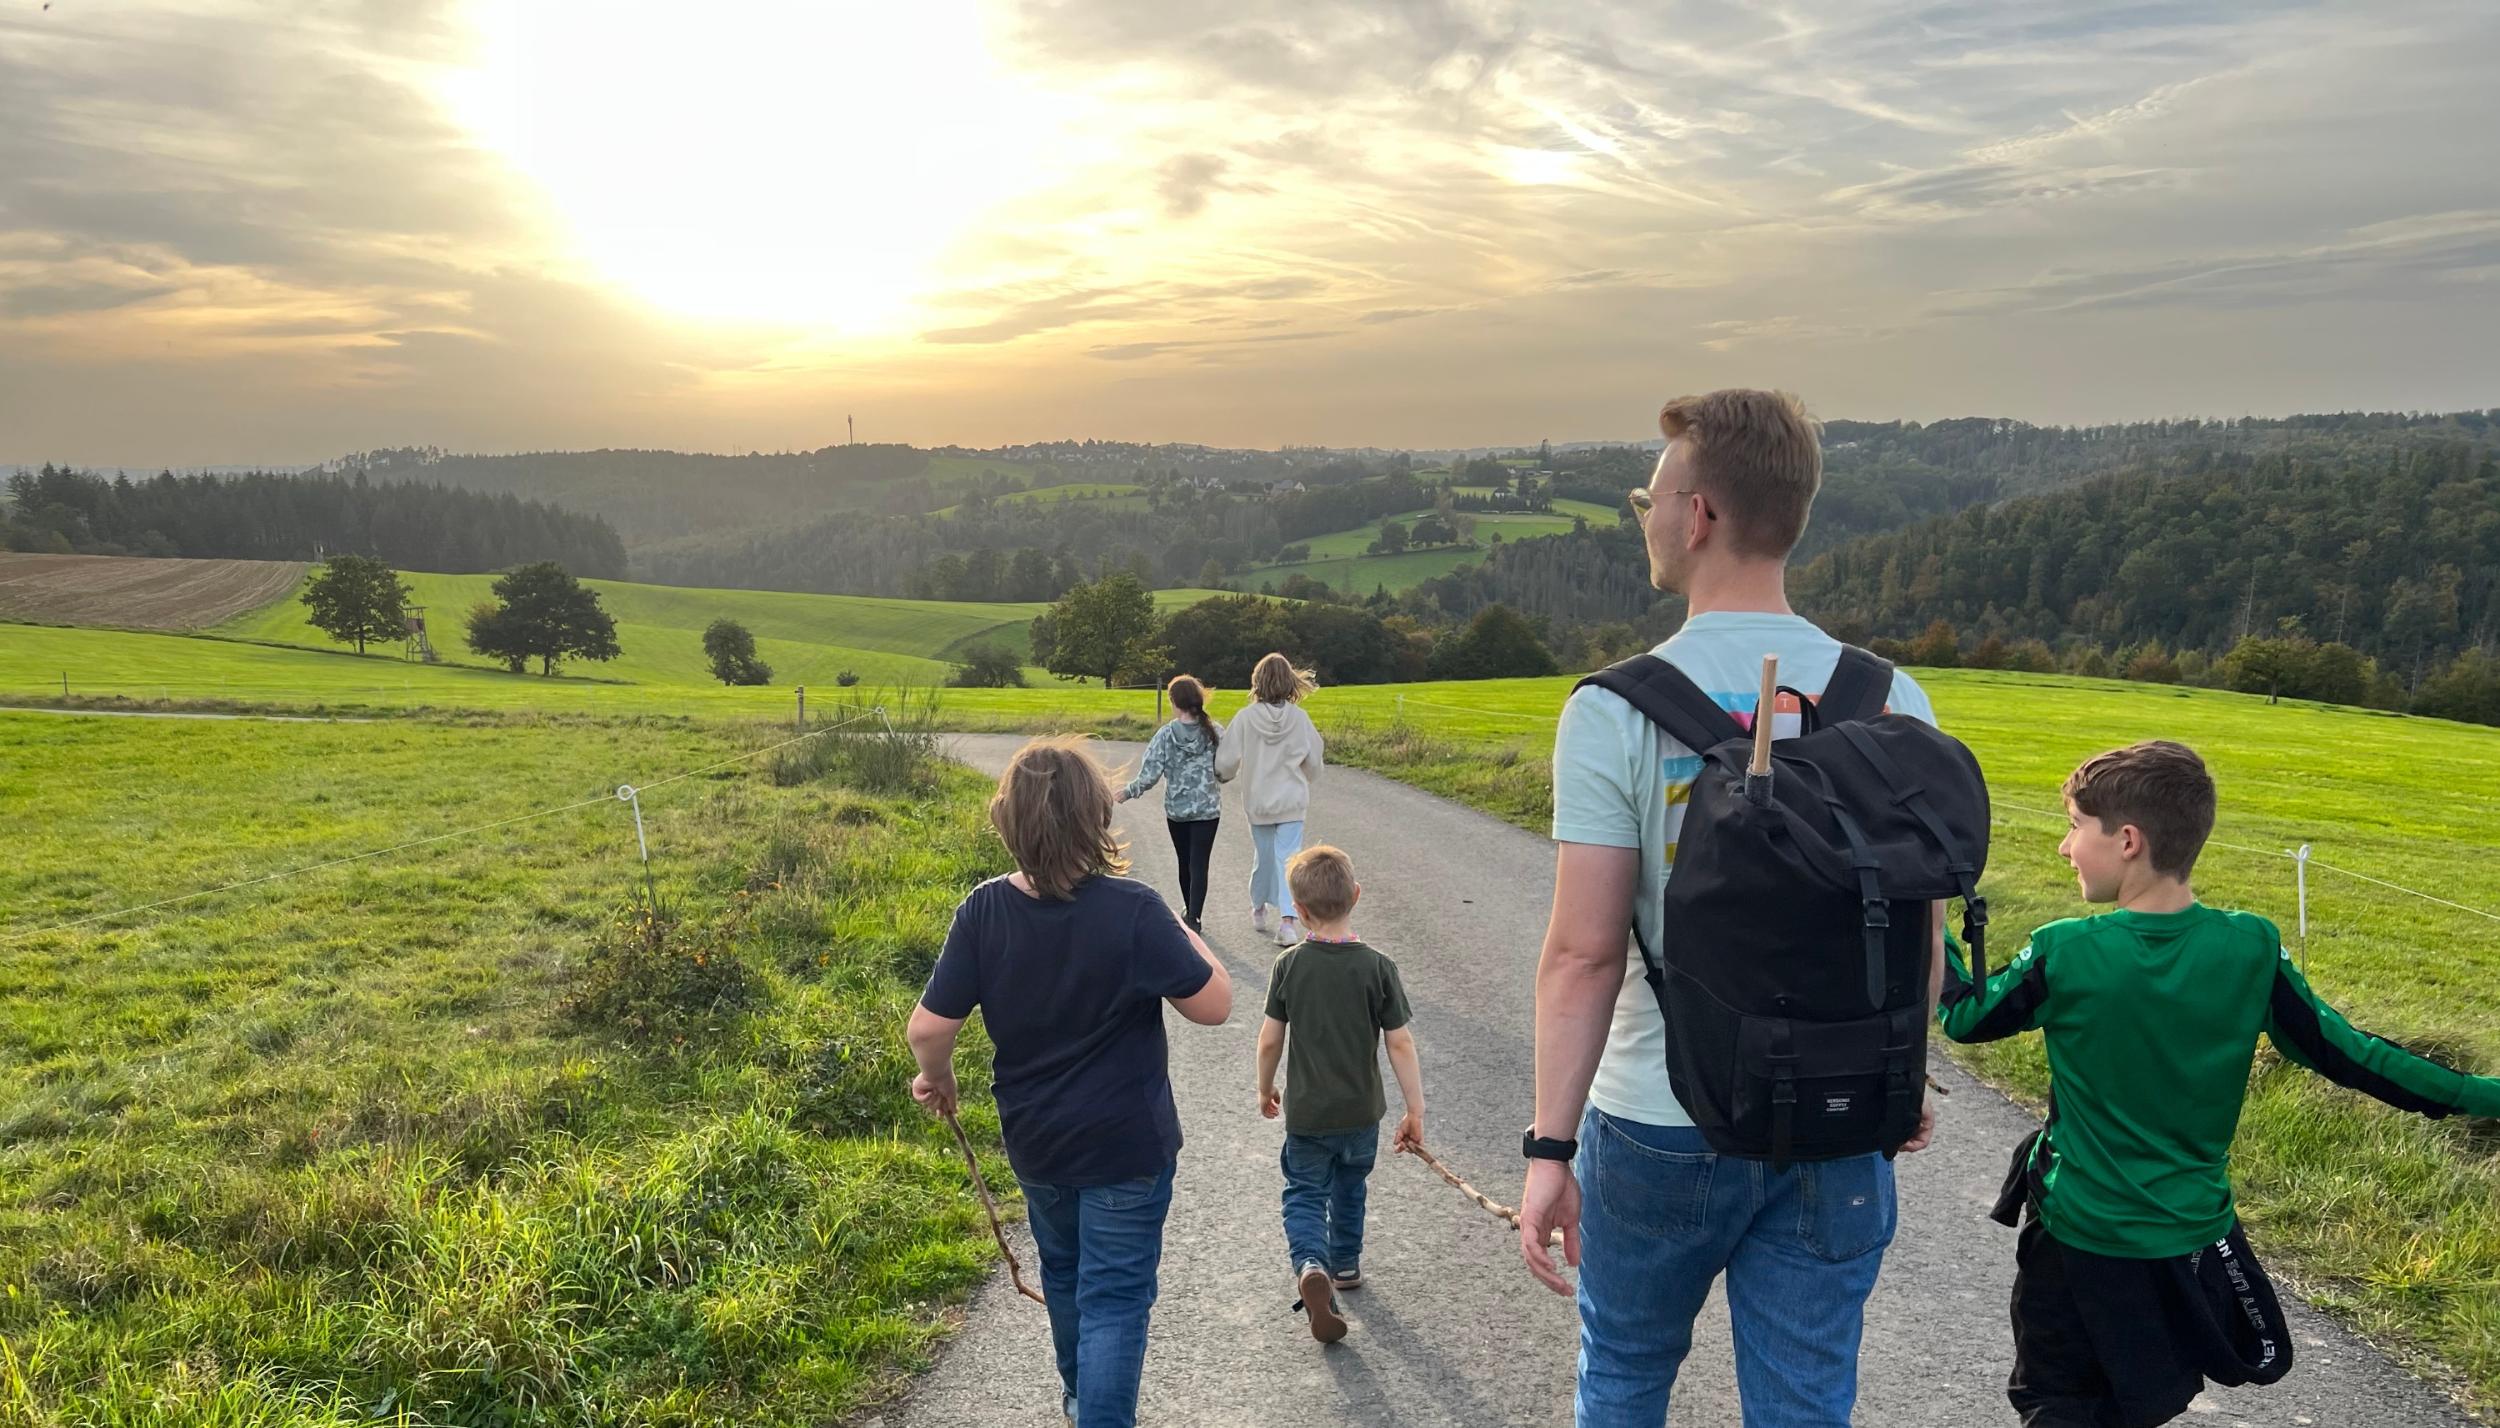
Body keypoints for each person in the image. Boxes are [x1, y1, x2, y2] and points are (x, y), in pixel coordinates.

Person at [1519, 389, 1940, 1427]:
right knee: (1804, 1400)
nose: (1647, 516)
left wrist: (1548, 1151)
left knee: (1622, 1375)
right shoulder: (1892, 699)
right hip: (1840, 1115)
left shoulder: (1613, 708)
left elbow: (1583, 956)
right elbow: (1915, 931)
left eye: (1647, 496)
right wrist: (1901, 1070)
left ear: (1697, 514)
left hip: (1663, 1115)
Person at [1939, 739, 2500, 1427]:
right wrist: (2481, 1095)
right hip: (2189, 1244)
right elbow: (2353, 1055)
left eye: (2075, 827)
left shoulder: (2065, 950)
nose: (2064, 847)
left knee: (2058, 1401)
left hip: (2076, 1240)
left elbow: (1967, 1018)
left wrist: (1931, 926)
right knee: (2139, 1403)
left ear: (2127, 840)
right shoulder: (2251, 947)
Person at [907, 736, 1234, 1428]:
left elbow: (928, 1031)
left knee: (1063, 1274)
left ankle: (1083, 1402)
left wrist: (939, 1082)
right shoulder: (1135, 911)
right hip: (1127, 1147)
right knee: (1114, 1297)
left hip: (1039, 1142)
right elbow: (1216, 1005)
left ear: (1007, 823)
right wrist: (1181, 927)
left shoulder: (983, 910)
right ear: (1098, 819)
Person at [1253, 844, 1425, 1344]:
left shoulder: (1290, 967)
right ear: (1356, 895)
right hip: (1361, 1115)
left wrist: (1265, 1089)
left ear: (1298, 910)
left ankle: (1312, 1262)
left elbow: (1269, 1039)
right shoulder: (1378, 967)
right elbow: (1399, 1040)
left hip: (1308, 1116)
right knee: (1351, 1186)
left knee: (1306, 1192)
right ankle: (1345, 1264)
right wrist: (1415, 1108)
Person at [1215, 652, 1324, 948]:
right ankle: (1288, 921)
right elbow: (1314, 760)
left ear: (1257, 682)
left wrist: (1223, 775)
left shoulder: (1245, 718)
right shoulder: (1300, 719)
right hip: (1292, 800)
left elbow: (1225, 760)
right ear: (1290, 681)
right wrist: (1307, 774)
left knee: (1263, 856)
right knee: (1288, 859)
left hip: (1259, 801)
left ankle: (1259, 906)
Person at [1117, 674, 1227, 932]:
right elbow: (1227, 766)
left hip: (1177, 811)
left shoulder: (1166, 735)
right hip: (1208, 810)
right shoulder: (1216, 732)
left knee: (1184, 861)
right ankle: (1195, 917)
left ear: (1175, 703)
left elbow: (1150, 773)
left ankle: (1190, 908)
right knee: (1200, 863)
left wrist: (1128, 792)